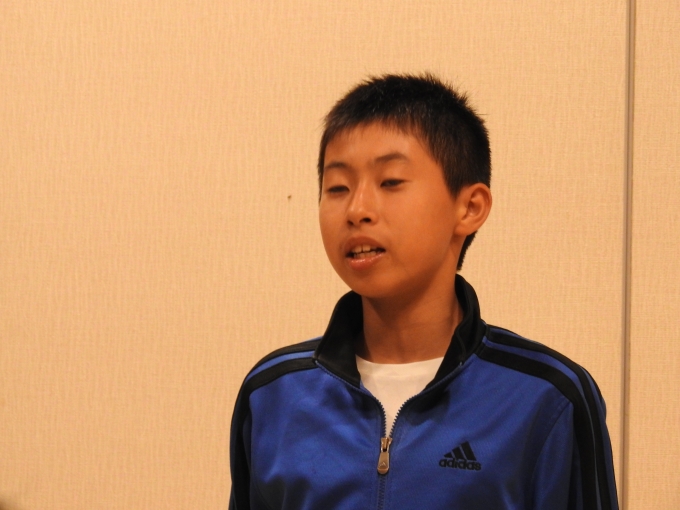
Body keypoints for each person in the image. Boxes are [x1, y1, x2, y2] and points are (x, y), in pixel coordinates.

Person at [229, 74, 619, 509]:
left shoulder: (547, 397)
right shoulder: (274, 393)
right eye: (337, 187)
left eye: (390, 182)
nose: (357, 209)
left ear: (469, 207)